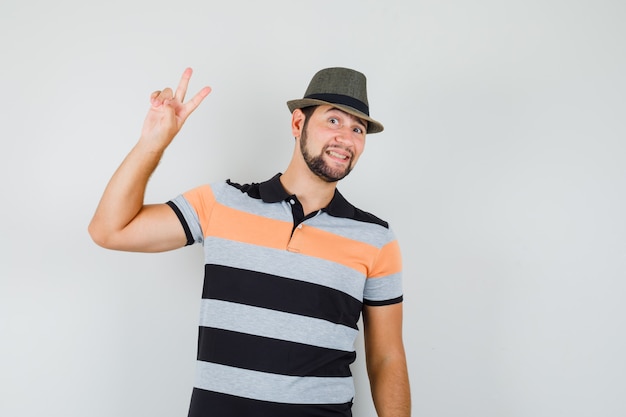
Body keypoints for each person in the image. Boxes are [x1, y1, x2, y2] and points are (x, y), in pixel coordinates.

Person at [88, 67, 411, 417]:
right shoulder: (219, 203)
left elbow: (386, 357)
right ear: (297, 124)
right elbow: (109, 230)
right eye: (334, 121)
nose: (346, 139)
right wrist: (153, 142)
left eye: (357, 129)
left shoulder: (376, 238)